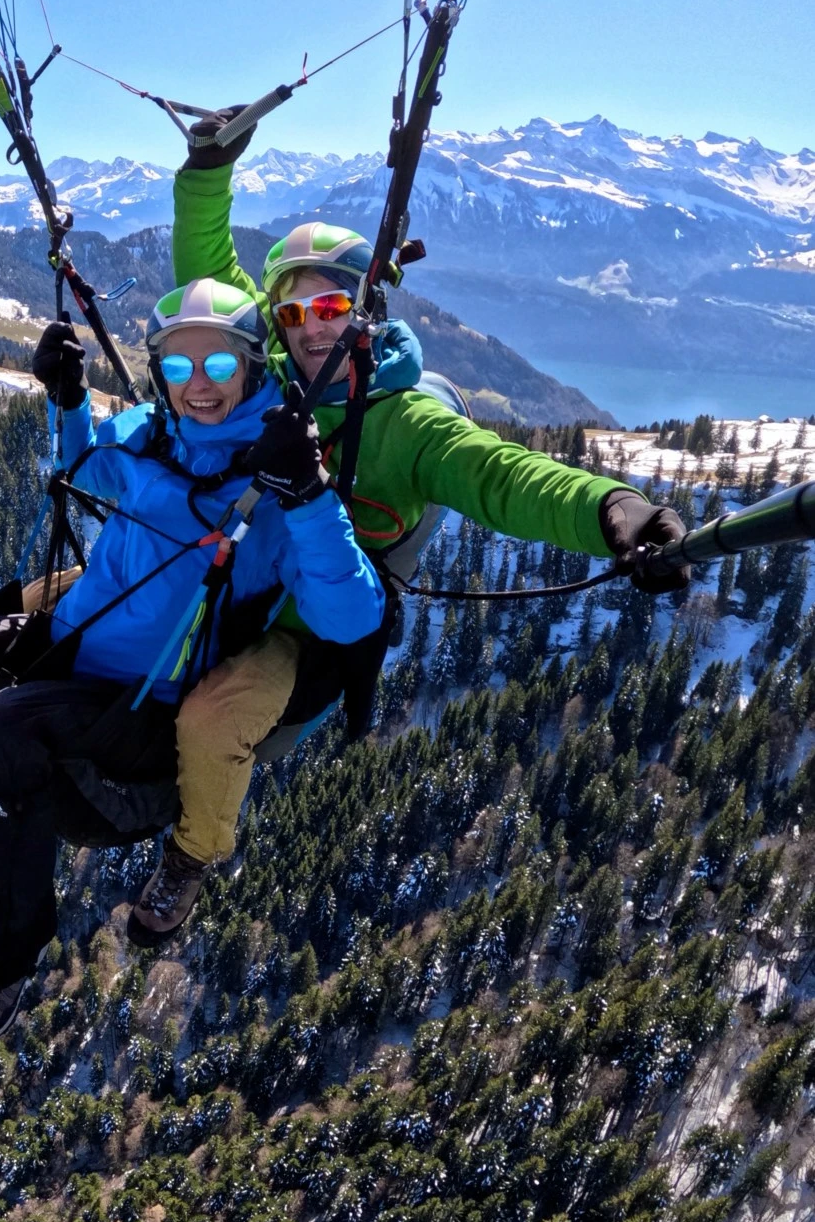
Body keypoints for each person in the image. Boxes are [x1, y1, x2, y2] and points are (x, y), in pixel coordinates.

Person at [117, 118, 690, 944]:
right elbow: (207, 278)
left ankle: (194, 853)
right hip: (239, 574)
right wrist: (206, 171)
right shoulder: (277, 367)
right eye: (293, 310)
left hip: (306, 625)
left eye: (331, 306)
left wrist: (613, 511)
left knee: (212, 719)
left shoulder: (406, 423)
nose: (311, 326)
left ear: (364, 309)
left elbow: (500, 475)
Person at [0, 278, 387, 1050]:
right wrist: (70, 398)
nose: (199, 384)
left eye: (218, 364)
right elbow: (82, 465)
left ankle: (4, 964)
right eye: (178, 367)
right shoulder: (152, 433)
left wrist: (310, 495)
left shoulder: (279, 481)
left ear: (252, 365)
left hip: (141, 710)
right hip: (71, 642)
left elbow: (352, 617)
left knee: (1, 727)